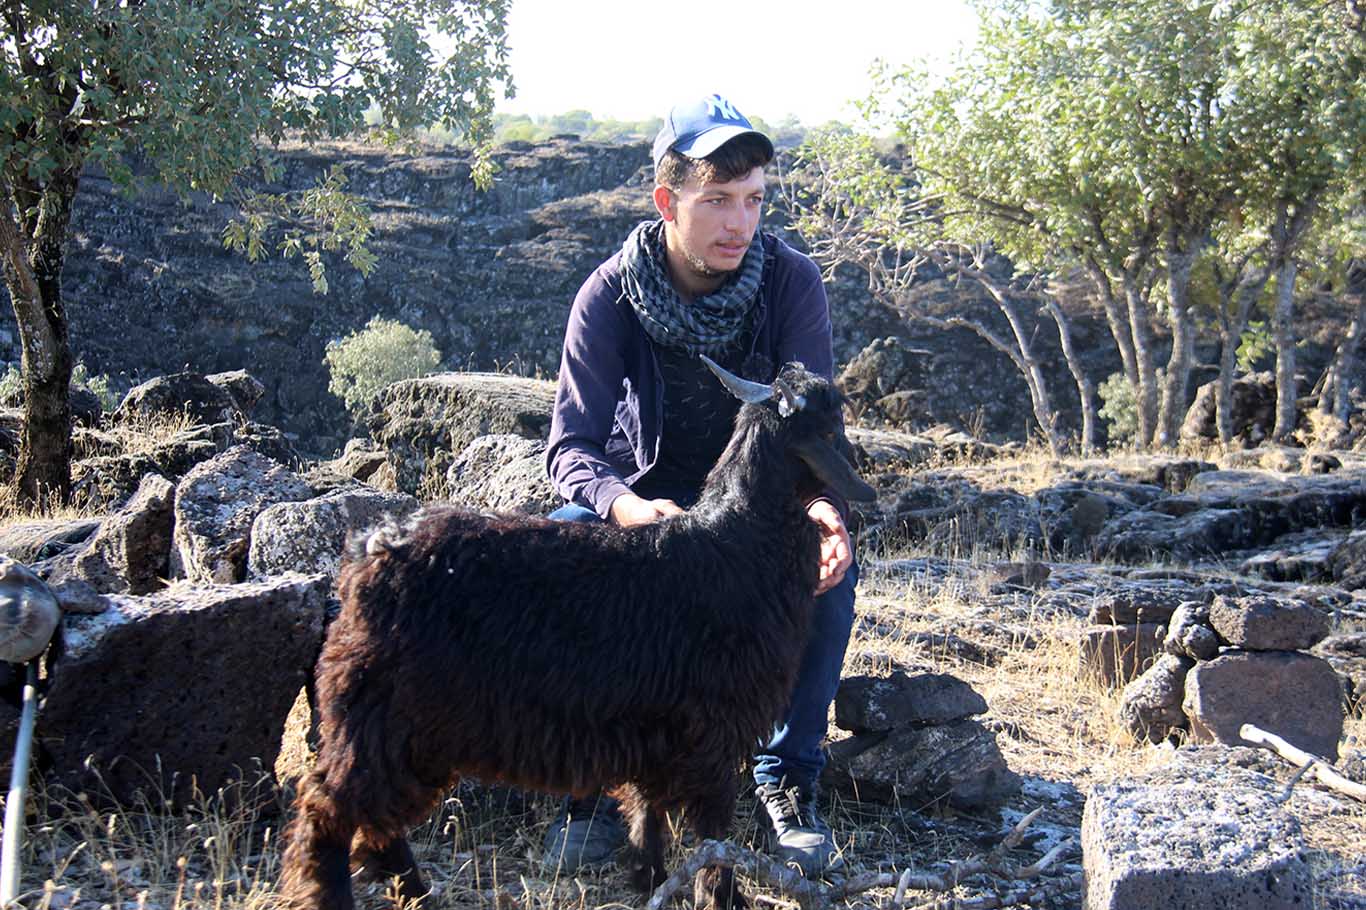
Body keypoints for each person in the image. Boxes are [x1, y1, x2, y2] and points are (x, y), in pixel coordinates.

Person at [541, 93, 858, 877]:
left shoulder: (791, 283)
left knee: (824, 575)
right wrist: (621, 504)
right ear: (666, 200)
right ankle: (588, 783)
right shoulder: (609, 293)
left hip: (756, 504)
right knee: (569, 533)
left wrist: (823, 508)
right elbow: (572, 445)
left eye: (753, 201)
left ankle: (785, 777)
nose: (738, 224)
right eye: (716, 200)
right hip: (645, 491)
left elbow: (813, 428)